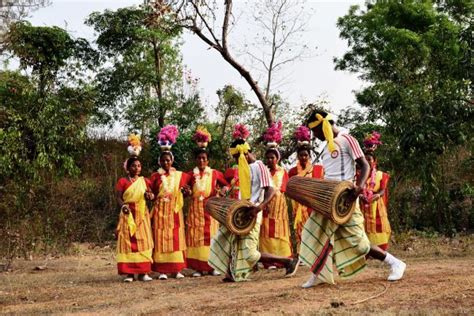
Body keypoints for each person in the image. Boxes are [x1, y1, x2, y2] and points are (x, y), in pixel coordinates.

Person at [299, 110, 406, 288]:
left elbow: (364, 164)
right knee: (316, 234)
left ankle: (395, 263)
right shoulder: (326, 147)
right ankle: (319, 274)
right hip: (328, 200)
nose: (315, 136)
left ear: (322, 125)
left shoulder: (347, 139)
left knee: (360, 243)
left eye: (316, 132)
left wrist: (359, 188)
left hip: (345, 200)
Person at [208, 124, 299, 282]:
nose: (236, 160)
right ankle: (231, 272)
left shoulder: (260, 167)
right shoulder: (243, 169)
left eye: (237, 157)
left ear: (243, 153)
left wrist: (259, 208)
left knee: (249, 252)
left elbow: (271, 190)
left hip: (253, 214)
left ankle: (288, 261)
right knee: (228, 240)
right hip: (242, 212)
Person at [186, 128, 229, 277]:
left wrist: (223, 190)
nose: (202, 161)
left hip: (210, 211)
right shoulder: (191, 174)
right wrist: (187, 192)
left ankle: (213, 266)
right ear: (195, 160)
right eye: (199, 159)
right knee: (197, 237)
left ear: (208, 160)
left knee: (212, 237)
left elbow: (226, 184)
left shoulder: (215, 173)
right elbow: (184, 188)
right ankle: (198, 268)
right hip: (196, 210)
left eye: (204, 158)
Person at [149, 125, 191, 280]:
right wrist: (150, 197)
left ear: (172, 160)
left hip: (174, 211)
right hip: (160, 211)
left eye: (168, 160)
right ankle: (162, 271)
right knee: (160, 237)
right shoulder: (154, 176)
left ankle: (177, 269)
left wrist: (187, 192)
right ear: (159, 162)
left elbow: (189, 189)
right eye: (163, 160)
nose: (166, 162)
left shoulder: (181, 175)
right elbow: (151, 192)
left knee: (176, 237)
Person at [115, 151, 154, 282]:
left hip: (142, 214)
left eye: (138, 166)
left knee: (144, 241)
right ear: (128, 168)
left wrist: (150, 196)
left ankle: (143, 273)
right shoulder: (122, 181)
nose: (136, 168)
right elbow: (118, 198)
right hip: (128, 214)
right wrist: (123, 207)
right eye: (133, 166)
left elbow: (150, 195)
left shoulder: (145, 181)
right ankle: (130, 274)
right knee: (128, 243)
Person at [288, 126, 324, 252]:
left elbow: (321, 186)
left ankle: (315, 251)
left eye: (306, 155)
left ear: (309, 156)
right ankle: (302, 252)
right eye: (301, 155)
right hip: (298, 204)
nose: (303, 157)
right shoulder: (292, 171)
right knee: (300, 227)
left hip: (313, 203)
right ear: (297, 156)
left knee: (314, 226)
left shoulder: (318, 169)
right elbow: (289, 189)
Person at [260, 146, 293, 269]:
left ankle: (283, 259)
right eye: (267, 158)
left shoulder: (283, 172)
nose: (270, 160)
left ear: (277, 159)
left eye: (272, 157)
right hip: (266, 204)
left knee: (280, 231)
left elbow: (286, 188)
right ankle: (269, 262)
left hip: (280, 206)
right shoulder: (264, 172)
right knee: (267, 231)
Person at [359, 151, 392, 250]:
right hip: (363, 206)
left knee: (379, 227)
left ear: (375, 161)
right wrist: (360, 196)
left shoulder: (381, 175)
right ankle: (366, 250)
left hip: (376, 205)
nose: (367, 161)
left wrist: (377, 195)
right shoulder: (359, 175)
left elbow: (382, 190)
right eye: (365, 159)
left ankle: (380, 251)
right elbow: (357, 188)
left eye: (370, 159)